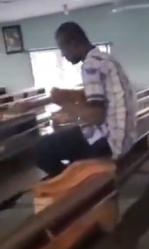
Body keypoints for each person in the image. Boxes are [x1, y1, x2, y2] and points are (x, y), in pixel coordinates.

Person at [33, 21, 138, 178]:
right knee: (71, 135)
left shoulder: (90, 65)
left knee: (41, 149)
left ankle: (69, 182)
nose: (63, 55)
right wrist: (65, 96)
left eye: (63, 48)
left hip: (110, 143)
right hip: (126, 137)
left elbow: (96, 116)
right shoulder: (105, 59)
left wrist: (62, 102)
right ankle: (77, 175)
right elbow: (96, 97)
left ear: (74, 44)